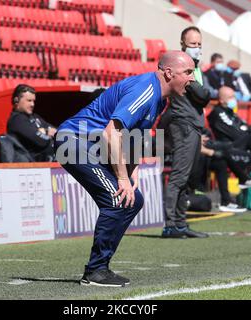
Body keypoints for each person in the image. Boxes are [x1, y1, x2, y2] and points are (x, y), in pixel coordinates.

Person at [54, 51, 195, 287]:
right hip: (75, 142)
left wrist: (133, 168)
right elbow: (112, 133)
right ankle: (95, 271)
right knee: (118, 200)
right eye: (188, 72)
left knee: (133, 200)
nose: (193, 79)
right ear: (169, 73)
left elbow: (134, 135)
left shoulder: (160, 99)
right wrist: (122, 178)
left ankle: (100, 267)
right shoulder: (146, 89)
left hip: (93, 145)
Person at [161, 26, 211, 239]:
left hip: (192, 125)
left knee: (187, 177)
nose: (197, 48)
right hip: (183, 124)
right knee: (179, 176)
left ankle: (180, 223)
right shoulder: (183, 67)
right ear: (182, 44)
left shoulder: (196, 68)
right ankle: (171, 224)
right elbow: (203, 95)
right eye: (192, 44)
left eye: (199, 44)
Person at [7, 84, 56, 162]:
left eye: (33, 101)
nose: (32, 104)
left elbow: (56, 131)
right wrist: (47, 132)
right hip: (32, 169)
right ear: (16, 100)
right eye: (29, 101)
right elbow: (42, 141)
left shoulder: (34, 116)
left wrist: (44, 131)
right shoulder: (17, 120)